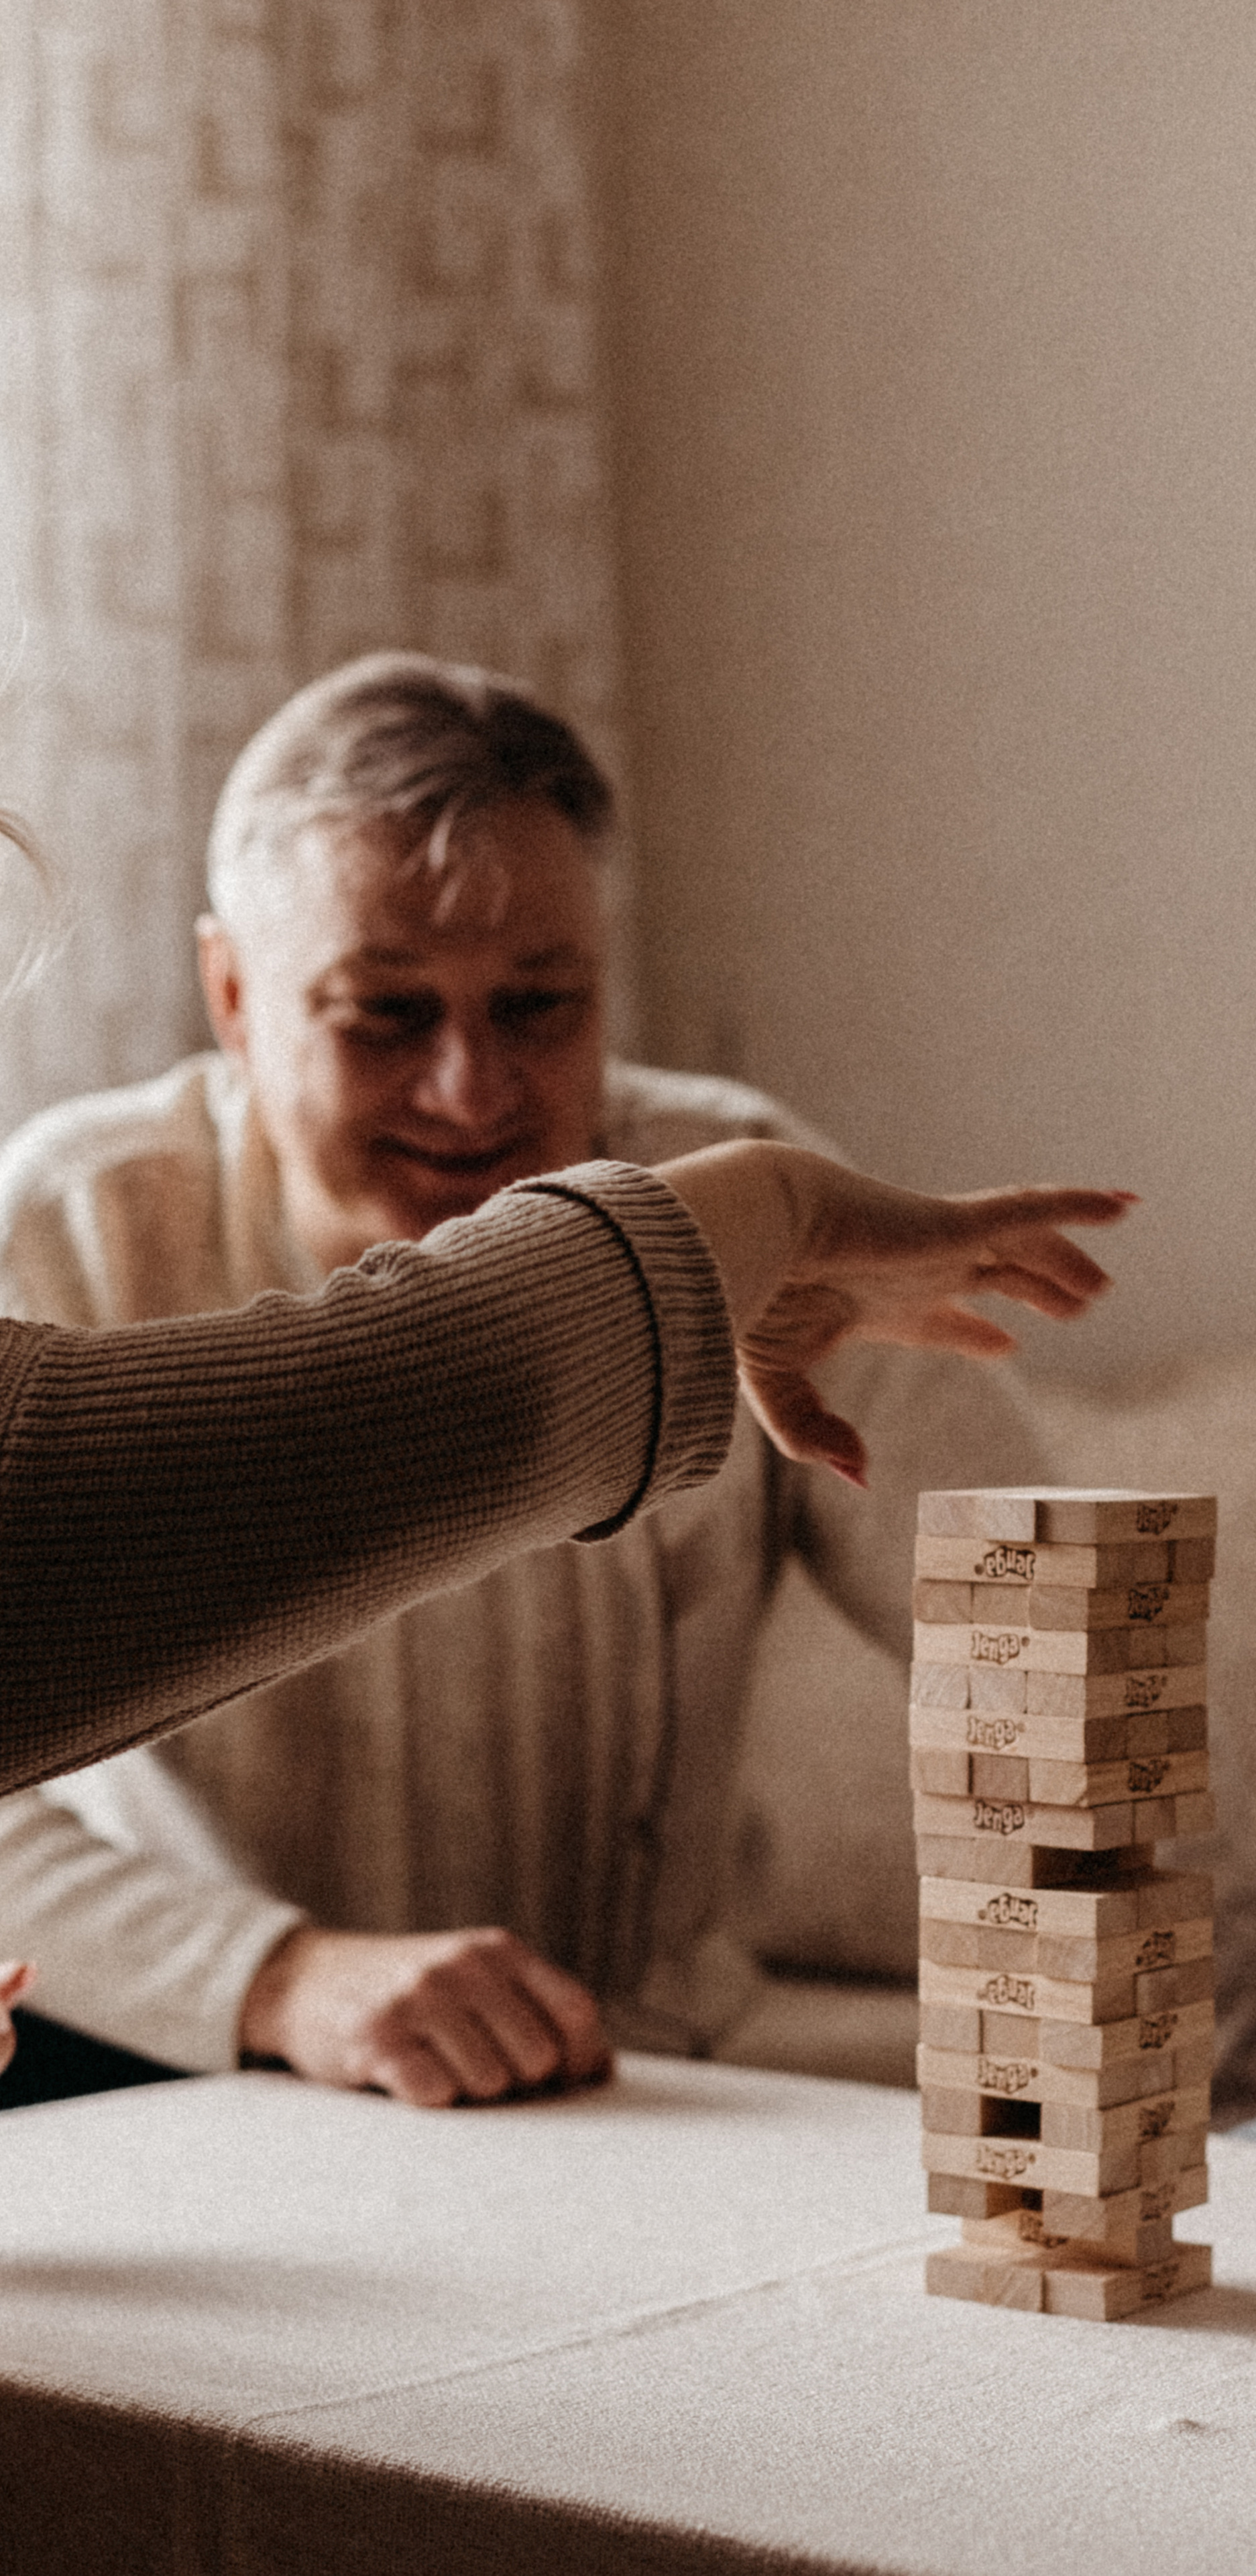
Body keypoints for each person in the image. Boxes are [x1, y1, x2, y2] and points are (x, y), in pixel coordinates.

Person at [0, 653, 1063, 2109]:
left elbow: (1043, 1624)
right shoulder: (63, 1222)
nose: (471, 1091)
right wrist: (279, 1974)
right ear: (234, 995)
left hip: (649, 2080)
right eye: (386, 1015)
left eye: (537, 1005)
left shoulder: (746, 1188)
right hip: (200, 2089)